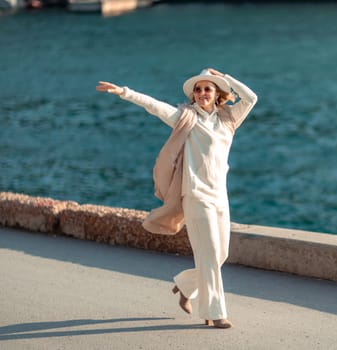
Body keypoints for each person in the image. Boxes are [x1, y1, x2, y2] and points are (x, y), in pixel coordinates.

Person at [96, 68, 257, 329]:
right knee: (210, 253)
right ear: (193, 96)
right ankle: (215, 313)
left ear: (217, 94)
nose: (202, 93)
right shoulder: (186, 119)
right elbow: (154, 106)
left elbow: (250, 99)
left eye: (208, 89)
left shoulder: (228, 120)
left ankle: (185, 285)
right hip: (195, 195)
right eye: (198, 89)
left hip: (220, 197)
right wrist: (124, 92)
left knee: (220, 255)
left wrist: (226, 77)